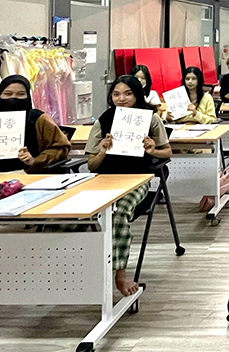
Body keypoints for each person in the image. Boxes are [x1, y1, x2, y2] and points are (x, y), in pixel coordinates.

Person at [85, 75, 172, 296]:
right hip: (104, 178)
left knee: (118, 212)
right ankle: (72, 271)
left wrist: (152, 150)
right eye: (116, 94)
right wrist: (103, 150)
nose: (121, 98)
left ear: (137, 95)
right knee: (74, 213)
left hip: (137, 178)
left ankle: (120, 275)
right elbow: (92, 165)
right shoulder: (103, 120)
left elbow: (167, 152)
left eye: (127, 93)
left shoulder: (151, 118)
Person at [0, 75, 70, 174]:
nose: (14, 98)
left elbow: (61, 147)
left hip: (31, 176)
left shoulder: (39, 119)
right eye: (8, 94)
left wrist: (35, 160)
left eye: (21, 94)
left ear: (28, 96)